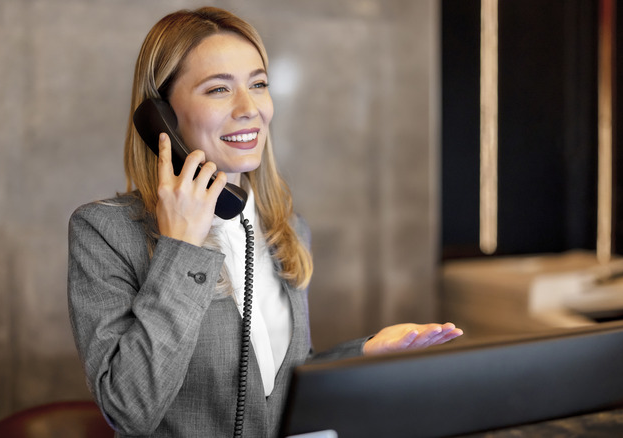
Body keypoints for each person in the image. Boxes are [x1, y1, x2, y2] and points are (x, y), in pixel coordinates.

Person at [67, 6, 462, 438]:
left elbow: (273, 388)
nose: (249, 108)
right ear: (160, 116)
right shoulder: (105, 233)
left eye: (258, 84)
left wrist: (364, 353)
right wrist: (182, 246)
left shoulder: (284, 228)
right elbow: (128, 410)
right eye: (219, 89)